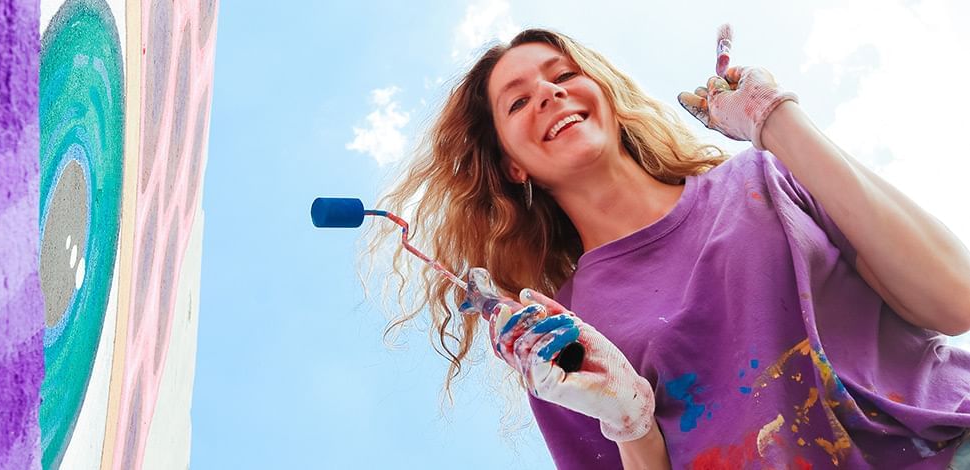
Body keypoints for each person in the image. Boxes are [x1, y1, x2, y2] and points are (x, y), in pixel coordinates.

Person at [367, 27, 970, 469]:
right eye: (518, 101)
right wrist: (628, 422)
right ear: (513, 167)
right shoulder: (559, 338)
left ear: (601, 93)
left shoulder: (758, 177)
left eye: (563, 74)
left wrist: (775, 121)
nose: (550, 93)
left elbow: (954, 299)